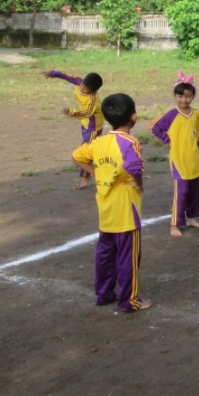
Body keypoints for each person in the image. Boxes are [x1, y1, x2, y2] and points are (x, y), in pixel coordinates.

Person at [71, 93, 151, 313]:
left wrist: (96, 172)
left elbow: (76, 156)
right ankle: (130, 300)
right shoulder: (130, 142)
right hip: (126, 210)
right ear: (133, 117)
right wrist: (139, 184)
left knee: (105, 253)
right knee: (128, 257)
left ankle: (104, 293)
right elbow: (135, 167)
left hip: (105, 209)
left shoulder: (99, 142)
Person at [151, 73, 199, 237]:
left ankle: (192, 218)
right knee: (181, 192)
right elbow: (154, 127)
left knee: (193, 190)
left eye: (188, 96)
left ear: (193, 97)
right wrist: (168, 139)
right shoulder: (171, 114)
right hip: (178, 159)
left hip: (192, 158)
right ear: (175, 96)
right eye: (180, 96)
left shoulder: (195, 114)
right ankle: (174, 224)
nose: (184, 100)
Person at [43, 69, 103, 189]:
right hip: (85, 125)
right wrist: (54, 74)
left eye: (85, 89)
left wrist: (71, 112)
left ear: (94, 91)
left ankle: (87, 176)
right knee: (89, 151)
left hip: (93, 128)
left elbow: (85, 113)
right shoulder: (80, 83)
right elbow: (68, 77)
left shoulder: (92, 101)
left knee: (84, 153)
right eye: (82, 85)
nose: (81, 89)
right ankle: (102, 166)